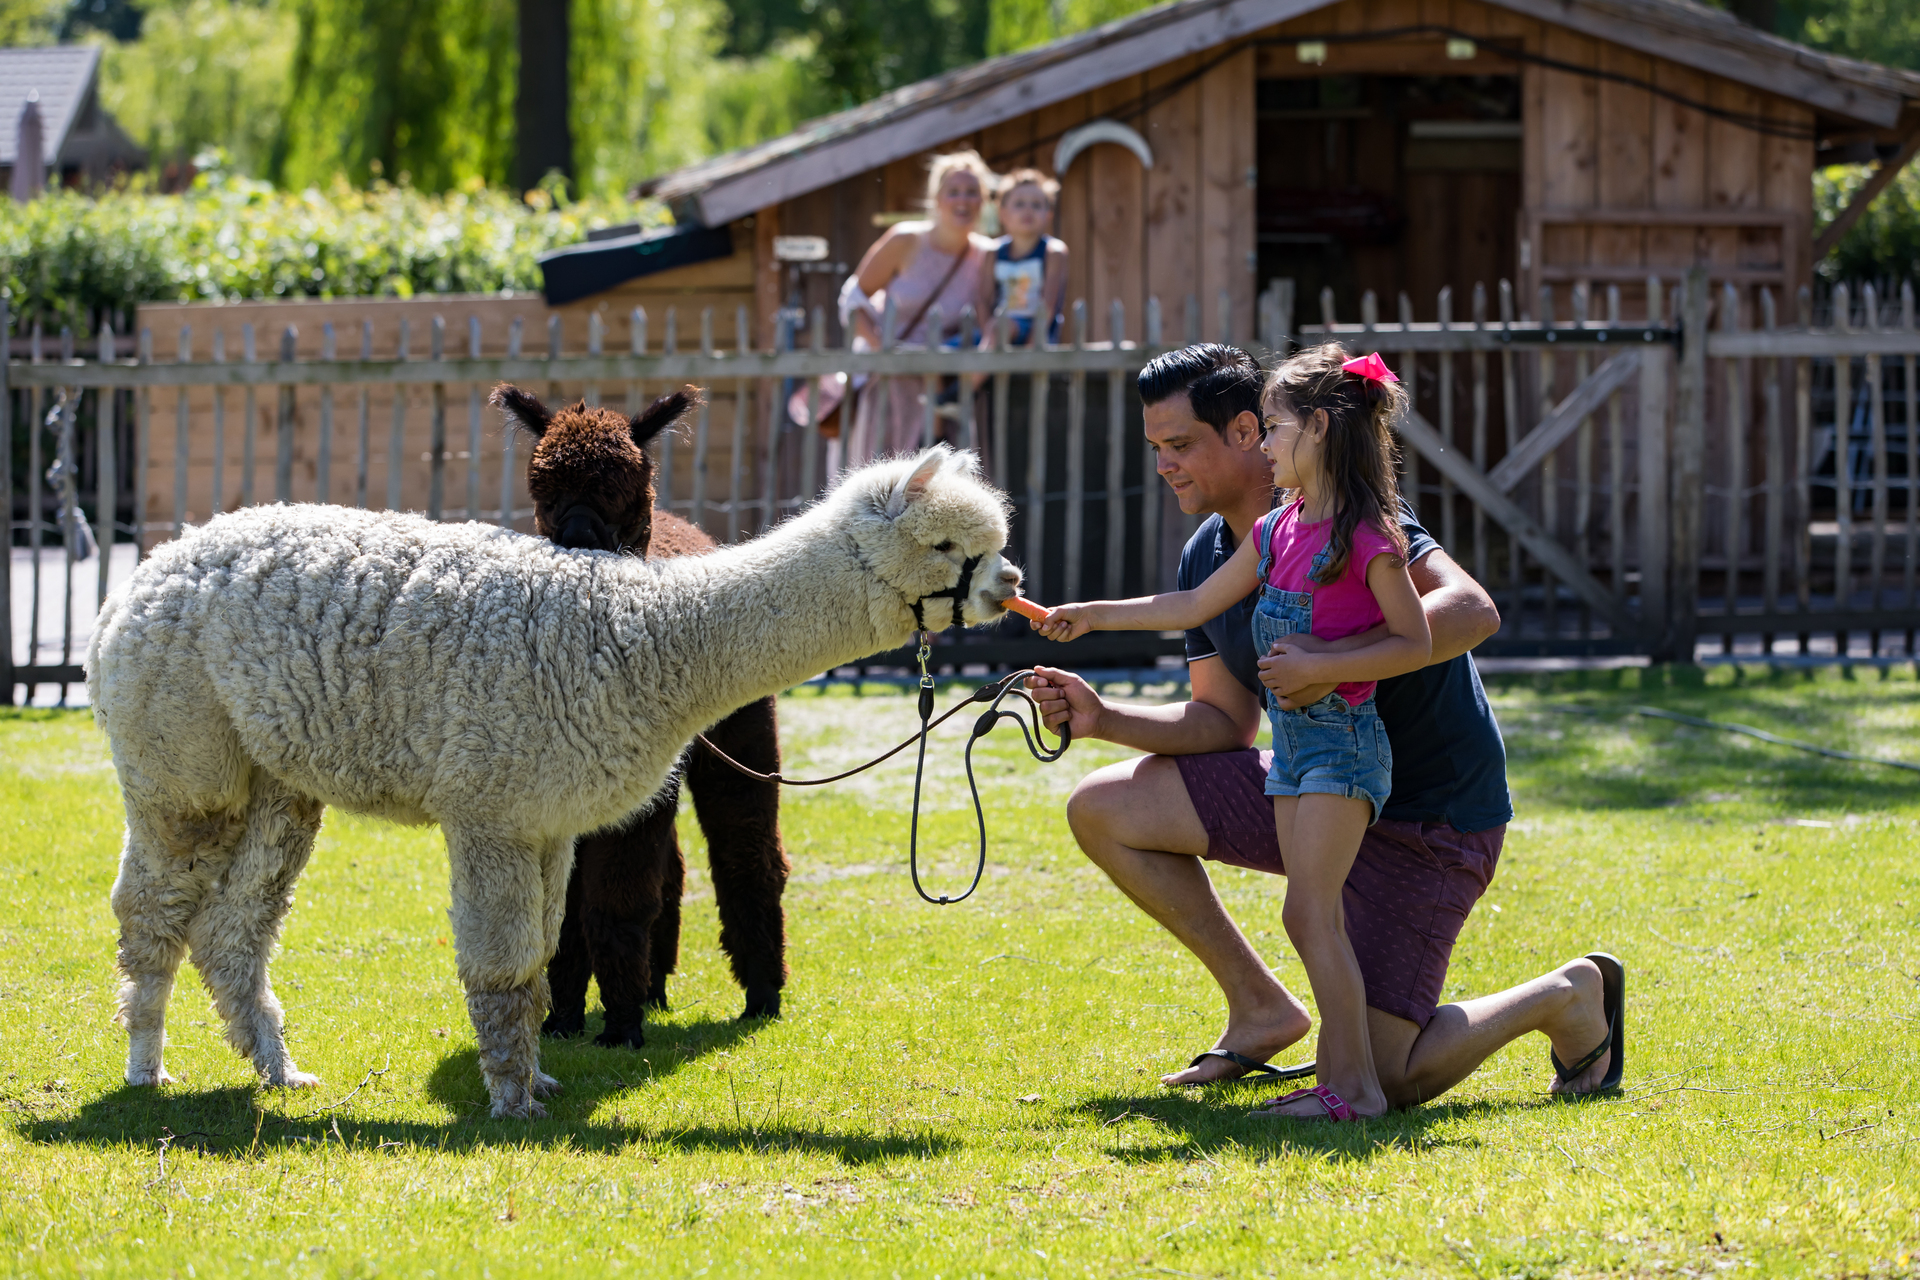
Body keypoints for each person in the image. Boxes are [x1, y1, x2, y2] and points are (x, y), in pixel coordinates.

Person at [1027, 343, 1625, 1119]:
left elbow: (1472, 610)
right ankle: (1260, 1011)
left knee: (1395, 1075)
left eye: (1180, 446)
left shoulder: (1358, 523)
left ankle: (1568, 995)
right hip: (1311, 778)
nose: (1165, 466)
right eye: (1156, 449)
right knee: (1106, 804)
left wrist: (1331, 660)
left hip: (1427, 813)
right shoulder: (1215, 552)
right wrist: (1104, 718)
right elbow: (1222, 722)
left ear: (1252, 432)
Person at [1033, 344, 1433, 1121]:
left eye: (1279, 429)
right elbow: (1187, 613)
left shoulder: (1370, 534)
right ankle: (1318, 1059)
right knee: (1309, 913)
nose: (1270, 446)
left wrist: (1324, 660)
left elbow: (1421, 639)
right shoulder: (1275, 533)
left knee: (1312, 915)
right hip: (1294, 755)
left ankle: (1351, 1088)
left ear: (1307, 431)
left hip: (1347, 752)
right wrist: (1087, 618)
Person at [840, 149, 996, 465]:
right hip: (891, 384)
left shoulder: (987, 256)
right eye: (953, 192)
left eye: (971, 192)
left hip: (945, 389)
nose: (962, 201)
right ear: (937, 198)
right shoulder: (905, 241)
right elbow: (852, 298)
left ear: (983, 200)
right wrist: (884, 349)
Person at [988, 169, 1068, 348]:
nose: (1028, 210)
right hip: (994, 334)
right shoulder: (993, 252)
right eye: (1019, 204)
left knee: (1002, 327)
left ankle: (973, 376)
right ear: (1003, 213)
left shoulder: (1053, 252)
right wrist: (986, 331)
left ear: (1049, 214)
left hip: (1032, 330)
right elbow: (983, 298)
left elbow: (1049, 304)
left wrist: (1033, 344)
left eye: (1037, 204)